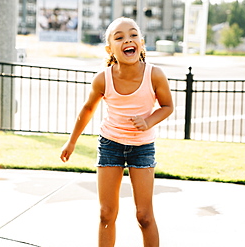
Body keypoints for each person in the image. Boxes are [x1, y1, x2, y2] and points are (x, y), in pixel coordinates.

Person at [60, 17, 174, 247]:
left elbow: (167, 106)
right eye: (119, 37)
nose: (127, 40)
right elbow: (88, 108)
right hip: (110, 145)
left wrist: (149, 120)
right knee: (106, 213)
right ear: (109, 48)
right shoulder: (103, 78)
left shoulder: (155, 75)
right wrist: (71, 142)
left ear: (141, 43)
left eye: (132, 35)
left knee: (144, 216)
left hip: (142, 148)